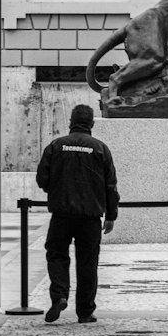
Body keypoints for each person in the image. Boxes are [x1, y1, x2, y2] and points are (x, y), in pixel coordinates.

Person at [35, 103, 118, 323]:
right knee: (88, 263)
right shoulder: (100, 148)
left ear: (71, 122)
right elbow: (111, 186)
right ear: (91, 123)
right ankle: (85, 311)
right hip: (90, 217)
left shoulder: (56, 146)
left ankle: (60, 295)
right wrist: (111, 215)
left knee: (57, 255)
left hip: (61, 215)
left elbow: (42, 178)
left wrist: (55, 188)